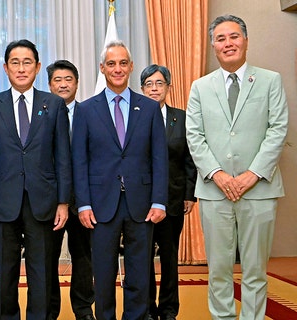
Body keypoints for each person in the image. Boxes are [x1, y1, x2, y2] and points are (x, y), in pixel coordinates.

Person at [186, 15, 288, 320]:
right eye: (220, 39)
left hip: (259, 190)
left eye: (233, 37)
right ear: (213, 46)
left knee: (255, 269)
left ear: (245, 40)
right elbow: (194, 135)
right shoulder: (200, 87)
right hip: (214, 192)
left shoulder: (270, 80)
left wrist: (251, 174)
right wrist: (217, 174)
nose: (228, 43)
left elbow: (278, 129)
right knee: (218, 268)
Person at [71, 40, 168, 320]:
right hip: (100, 204)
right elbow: (80, 160)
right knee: (102, 272)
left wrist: (160, 200)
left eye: (123, 63)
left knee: (140, 270)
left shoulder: (149, 108)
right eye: (111, 63)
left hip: (141, 202)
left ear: (131, 66)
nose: (117, 69)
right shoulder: (86, 110)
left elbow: (159, 158)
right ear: (102, 68)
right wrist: (83, 204)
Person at [0, 39, 72, 320]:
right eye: (15, 63)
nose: (21, 68)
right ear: (5, 68)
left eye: (27, 62)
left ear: (38, 67)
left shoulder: (53, 105)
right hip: (2, 201)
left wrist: (63, 201)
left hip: (43, 201)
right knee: (5, 272)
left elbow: (62, 158)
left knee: (40, 271)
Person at [140, 64, 197, 320]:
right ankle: (148, 309)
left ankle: (169, 309)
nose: (154, 88)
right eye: (149, 84)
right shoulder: (134, 117)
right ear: (142, 89)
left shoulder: (182, 118)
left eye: (159, 83)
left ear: (168, 87)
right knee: (142, 259)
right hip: (141, 201)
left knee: (170, 258)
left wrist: (189, 193)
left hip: (173, 199)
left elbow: (189, 158)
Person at [45, 59, 95, 320]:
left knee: (84, 257)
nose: (63, 84)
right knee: (47, 258)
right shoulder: (41, 112)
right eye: (57, 80)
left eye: (69, 80)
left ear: (77, 83)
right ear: (49, 84)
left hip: (84, 198)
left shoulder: (90, 112)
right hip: (49, 200)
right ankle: (50, 309)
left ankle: (83, 308)